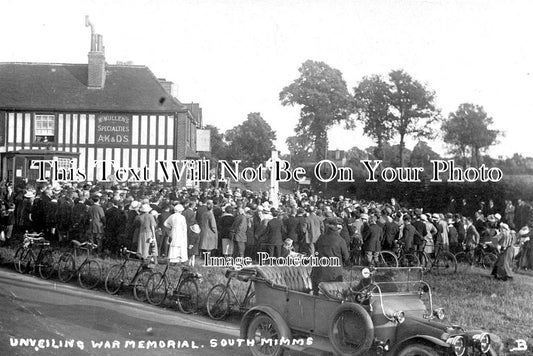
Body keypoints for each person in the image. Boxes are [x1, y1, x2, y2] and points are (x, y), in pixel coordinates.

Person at [311, 217, 349, 295]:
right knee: (334, 296)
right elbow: (346, 257)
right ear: (337, 228)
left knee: (317, 296)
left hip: (319, 271)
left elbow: (316, 250)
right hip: (333, 274)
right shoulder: (341, 240)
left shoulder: (321, 238)